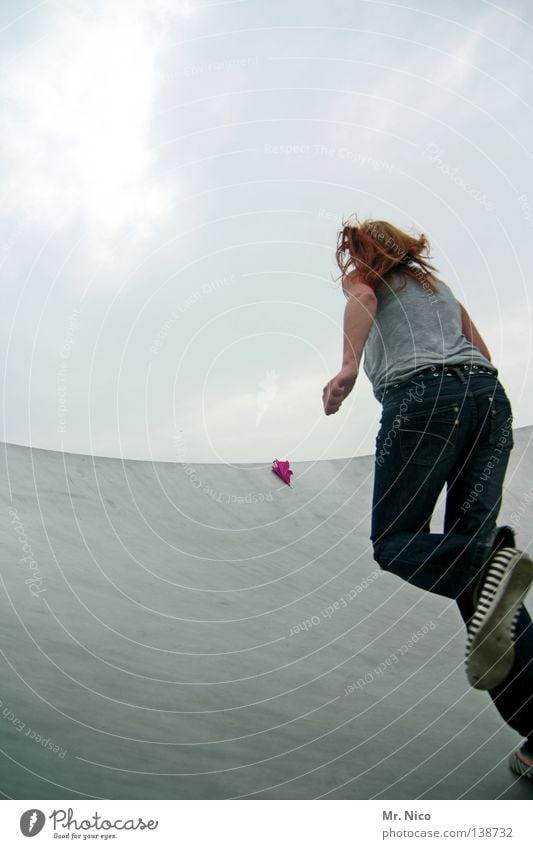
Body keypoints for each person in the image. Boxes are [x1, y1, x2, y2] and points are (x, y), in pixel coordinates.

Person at [322, 217, 533, 781]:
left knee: (395, 543)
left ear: (364, 252)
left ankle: (489, 559)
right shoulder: (442, 291)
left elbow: (363, 295)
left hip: (422, 402)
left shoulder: (364, 280)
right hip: (489, 403)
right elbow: (483, 353)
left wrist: (348, 365)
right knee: (480, 582)